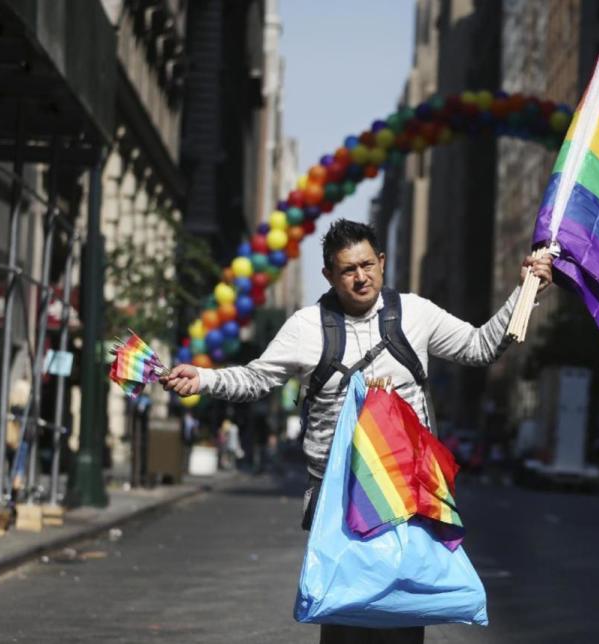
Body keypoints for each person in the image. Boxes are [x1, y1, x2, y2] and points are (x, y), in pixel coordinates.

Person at [164, 219, 552, 643]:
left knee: (404, 616)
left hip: (407, 495)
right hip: (336, 500)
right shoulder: (306, 327)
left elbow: (479, 347)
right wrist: (204, 380)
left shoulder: (416, 314)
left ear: (382, 263)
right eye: (348, 270)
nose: (361, 277)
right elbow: (258, 379)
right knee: (345, 617)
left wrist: (526, 292)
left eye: (367, 265)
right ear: (329, 275)